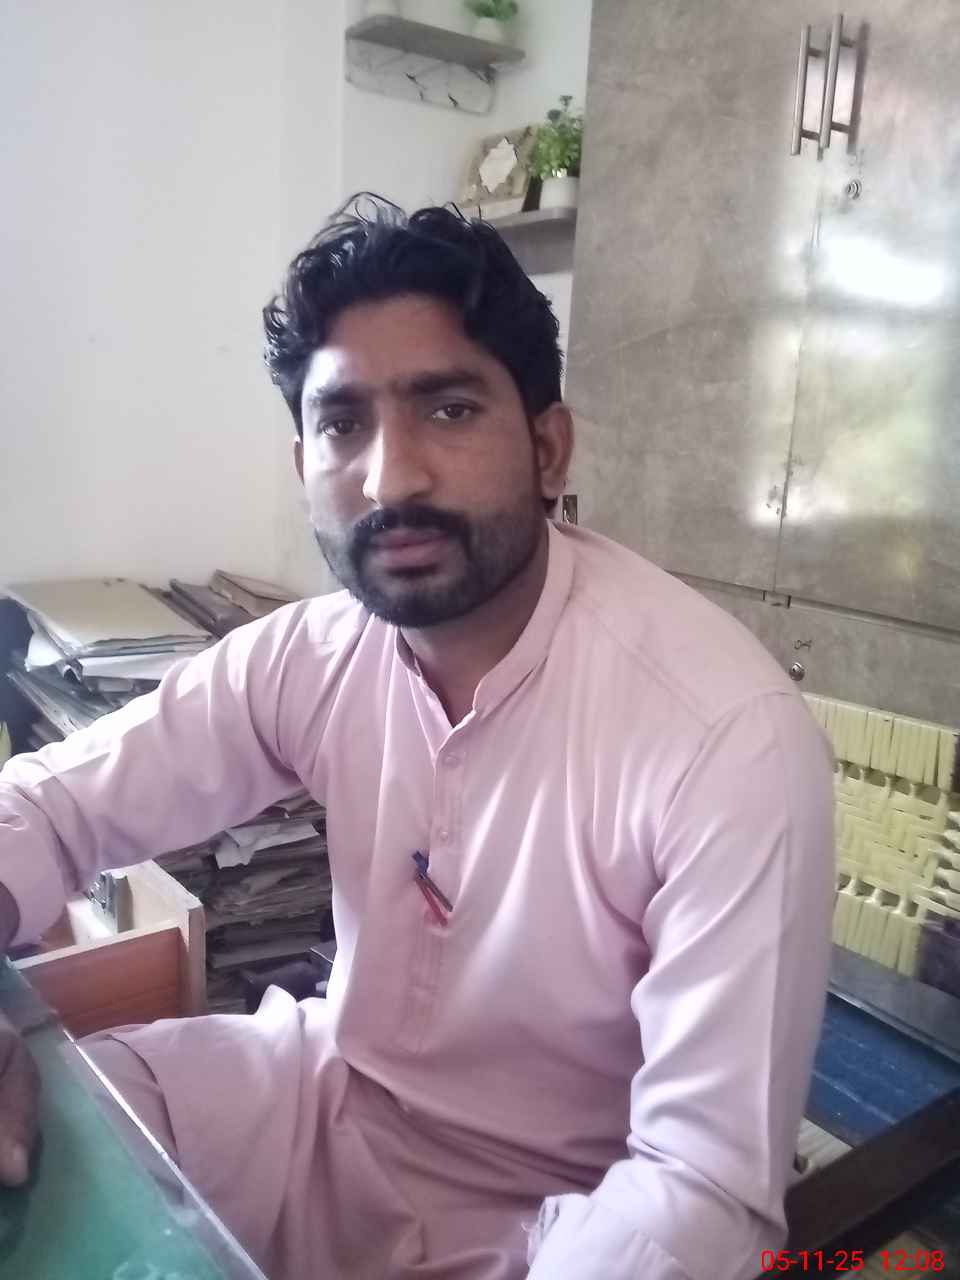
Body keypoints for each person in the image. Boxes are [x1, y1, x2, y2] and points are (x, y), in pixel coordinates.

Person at [0, 197, 835, 1280]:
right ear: (303, 462)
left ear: (548, 448)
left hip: (553, 1214)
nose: (390, 478)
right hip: (324, 1106)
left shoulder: (722, 737)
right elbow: (53, 803)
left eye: (448, 408)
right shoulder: (313, 654)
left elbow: (700, 1188)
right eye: (344, 424)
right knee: (53, 1127)